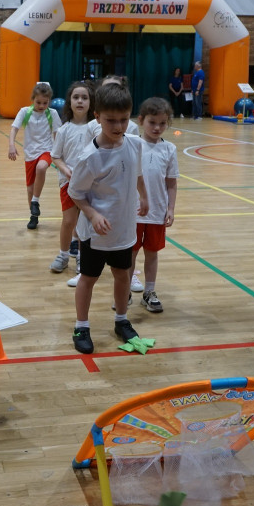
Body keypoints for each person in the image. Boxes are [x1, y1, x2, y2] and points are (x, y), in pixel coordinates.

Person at [68, 82, 148, 354]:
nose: (118, 126)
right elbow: (75, 193)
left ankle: (121, 320)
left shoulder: (135, 145)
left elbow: (137, 174)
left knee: (123, 275)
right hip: (95, 233)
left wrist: (145, 197)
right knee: (88, 278)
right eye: (111, 120)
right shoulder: (89, 157)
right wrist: (92, 214)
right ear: (97, 117)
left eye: (124, 119)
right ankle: (81, 325)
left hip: (124, 229)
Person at [131, 97, 179, 313]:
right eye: (152, 122)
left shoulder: (169, 149)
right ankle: (124, 291)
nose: (157, 127)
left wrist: (170, 209)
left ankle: (149, 291)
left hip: (157, 213)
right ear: (141, 120)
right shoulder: (132, 144)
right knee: (129, 254)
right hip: (132, 212)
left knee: (152, 253)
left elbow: (171, 183)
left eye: (162, 123)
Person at [49, 81, 94, 274]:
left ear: (91, 102)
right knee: (68, 221)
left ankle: (83, 259)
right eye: (76, 97)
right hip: (68, 183)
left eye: (84, 97)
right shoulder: (64, 129)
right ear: (69, 102)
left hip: (90, 184)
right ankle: (63, 255)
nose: (80, 101)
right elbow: (55, 156)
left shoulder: (95, 128)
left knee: (85, 222)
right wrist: (66, 170)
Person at [8, 81, 62, 229]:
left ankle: (35, 201)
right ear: (33, 99)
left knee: (41, 167)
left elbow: (57, 134)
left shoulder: (53, 113)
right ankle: (33, 215)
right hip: (30, 153)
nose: (41, 105)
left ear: (49, 101)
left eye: (45, 103)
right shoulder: (25, 112)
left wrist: (60, 154)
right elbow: (14, 128)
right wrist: (11, 144)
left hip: (47, 150)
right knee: (30, 188)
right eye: (38, 102)